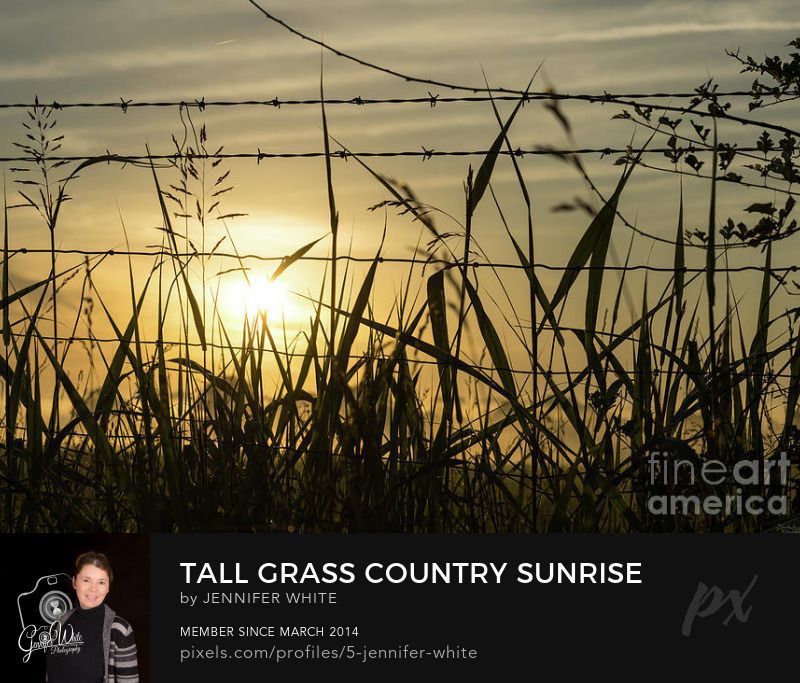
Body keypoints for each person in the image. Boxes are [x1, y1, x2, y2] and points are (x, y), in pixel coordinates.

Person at [46, 552, 139, 682]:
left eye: (101, 582)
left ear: (108, 587)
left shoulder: (120, 630)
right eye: (86, 580)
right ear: (74, 582)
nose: (93, 589)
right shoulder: (60, 622)